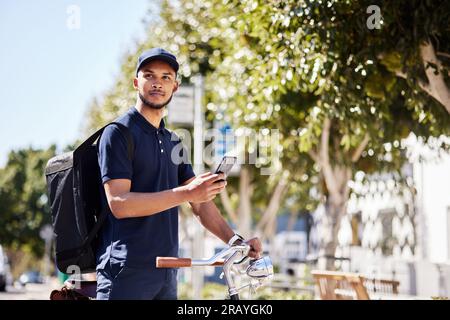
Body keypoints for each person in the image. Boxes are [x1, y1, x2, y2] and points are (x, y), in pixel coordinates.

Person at [95, 48, 262, 300]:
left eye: (166, 77)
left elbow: (200, 204)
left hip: (167, 271)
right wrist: (188, 192)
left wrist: (236, 242)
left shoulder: (174, 142)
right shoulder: (119, 133)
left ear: (175, 86)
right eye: (149, 76)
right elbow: (119, 204)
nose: (157, 83)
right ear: (135, 82)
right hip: (126, 271)